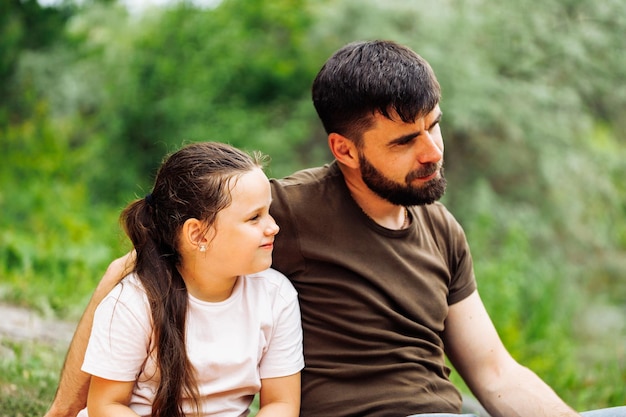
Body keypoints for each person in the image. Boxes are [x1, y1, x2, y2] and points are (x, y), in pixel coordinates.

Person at [45, 41, 626, 417]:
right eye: (405, 141)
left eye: (435, 128)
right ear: (344, 149)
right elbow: (135, 264)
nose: (433, 153)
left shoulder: (442, 228)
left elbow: (496, 372)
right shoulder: (284, 213)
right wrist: (61, 414)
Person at [71, 142, 303, 417]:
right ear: (198, 235)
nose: (273, 227)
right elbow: (106, 405)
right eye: (254, 218)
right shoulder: (134, 302)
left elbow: (282, 404)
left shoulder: (276, 296)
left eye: (268, 211)